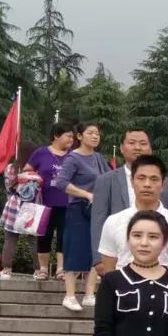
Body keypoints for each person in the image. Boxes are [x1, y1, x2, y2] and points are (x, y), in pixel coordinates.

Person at [90, 129, 168, 267]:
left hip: (158, 260)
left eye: (143, 143)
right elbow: (98, 220)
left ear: (150, 149)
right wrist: (98, 260)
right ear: (122, 148)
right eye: (132, 143)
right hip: (118, 258)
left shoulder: (166, 184)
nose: (137, 147)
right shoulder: (106, 181)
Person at [96, 155, 168, 276]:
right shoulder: (113, 222)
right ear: (132, 182)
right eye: (141, 178)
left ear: (163, 185)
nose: (147, 184)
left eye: (154, 179)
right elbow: (109, 268)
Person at [54, 121, 111, 311]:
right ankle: (69, 295)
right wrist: (86, 194)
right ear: (79, 136)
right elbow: (61, 182)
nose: (95, 136)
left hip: (97, 210)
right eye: (90, 133)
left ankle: (89, 294)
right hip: (78, 209)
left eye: (97, 133)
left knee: (96, 250)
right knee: (74, 250)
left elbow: (109, 178)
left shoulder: (99, 158)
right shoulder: (73, 158)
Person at [27, 123, 73, 280]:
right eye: (68, 136)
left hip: (67, 203)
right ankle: (43, 270)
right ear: (56, 136)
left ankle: (61, 270)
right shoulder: (41, 153)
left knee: (64, 237)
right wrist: (36, 179)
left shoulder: (73, 156)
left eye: (72, 137)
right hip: (44, 203)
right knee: (44, 236)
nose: (71, 139)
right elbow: (27, 171)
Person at [0, 146, 43, 280]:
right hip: (32, 208)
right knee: (33, 241)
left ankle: (6, 270)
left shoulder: (11, 168)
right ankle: (38, 271)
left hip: (14, 205)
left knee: (10, 239)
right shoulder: (38, 171)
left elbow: (8, 187)